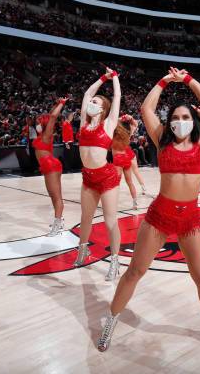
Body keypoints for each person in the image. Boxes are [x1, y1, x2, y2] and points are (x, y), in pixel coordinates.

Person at [98, 67, 200, 352]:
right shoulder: (161, 140)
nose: (180, 122)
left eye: (185, 117)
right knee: (135, 271)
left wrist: (188, 79)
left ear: (194, 120)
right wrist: (165, 81)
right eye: (175, 118)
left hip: (189, 218)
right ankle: (111, 321)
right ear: (169, 123)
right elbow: (146, 107)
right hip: (158, 216)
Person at [74, 67, 123, 282]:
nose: (92, 103)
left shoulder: (109, 124)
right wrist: (102, 77)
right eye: (92, 102)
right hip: (88, 178)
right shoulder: (84, 122)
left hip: (107, 178)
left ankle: (115, 260)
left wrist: (114, 79)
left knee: (111, 221)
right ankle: (82, 250)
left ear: (104, 110)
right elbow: (86, 94)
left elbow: (118, 96)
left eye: (96, 103)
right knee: (86, 218)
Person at [33, 97, 68, 236]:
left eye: (39, 121)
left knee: (56, 197)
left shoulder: (47, 134)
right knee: (53, 196)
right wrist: (56, 104)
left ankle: (58, 224)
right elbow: (51, 114)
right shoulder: (42, 135)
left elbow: (53, 116)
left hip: (51, 166)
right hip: (48, 166)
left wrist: (62, 103)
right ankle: (59, 221)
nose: (37, 123)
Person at [112, 114, 146, 210]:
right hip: (126, 158)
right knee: (130, 182)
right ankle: (135, 203)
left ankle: (112, 204)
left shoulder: (115, 132)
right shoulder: (129, 131)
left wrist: (121, 118)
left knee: (115, 183)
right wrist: (130, 118)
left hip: (118, 159)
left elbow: (111, 121)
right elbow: (135, 124)